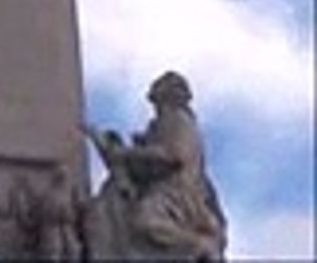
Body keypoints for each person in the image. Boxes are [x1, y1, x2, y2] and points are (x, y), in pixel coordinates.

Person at [83, 72, 226, 261]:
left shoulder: (178, 120)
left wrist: (129, 154)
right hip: (161, 189)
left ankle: (198, 245)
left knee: (146, 222)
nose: (155, 106)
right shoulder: (162, 124)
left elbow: (173, 156)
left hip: (176, 192)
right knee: (106, 211)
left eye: (157, 99)